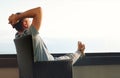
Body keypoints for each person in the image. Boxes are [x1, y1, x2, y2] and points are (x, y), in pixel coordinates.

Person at [8, 7, 85, 65]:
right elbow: (38, 11)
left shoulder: (17, 36)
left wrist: (14, 21)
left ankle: (78, 51)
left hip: (42, 65)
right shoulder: (30, 34)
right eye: (29, 20)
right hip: (50, 65)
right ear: (25, 23)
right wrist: (18, 17)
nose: (31, 22)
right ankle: (79, 51)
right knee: (69, 58)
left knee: (65, 57)